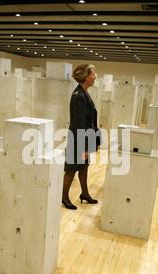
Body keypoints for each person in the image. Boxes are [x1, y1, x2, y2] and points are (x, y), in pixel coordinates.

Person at [62, 64, 100, 210]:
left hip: (84, 138)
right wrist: (83, 147)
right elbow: (79, 124)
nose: (95, 76)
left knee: (84, 167)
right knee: (71, 169)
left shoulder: (84, 92)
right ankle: (64, 197)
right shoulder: (79, 96)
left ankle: (84, 193)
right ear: (86, 76)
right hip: (78, 140)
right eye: (93, 73)